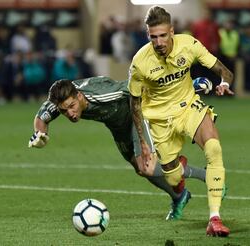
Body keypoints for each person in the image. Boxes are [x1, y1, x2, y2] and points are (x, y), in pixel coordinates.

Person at [28, 76, 213, 220]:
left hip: (137, 114)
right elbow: (41, 118)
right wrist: (40, 135)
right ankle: (179, 196)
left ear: (79, 96)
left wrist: (188, 86)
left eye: (72, 106)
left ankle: (205, 175)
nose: (70, 114)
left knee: (147, 167)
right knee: (140, 169)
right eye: (63, 110)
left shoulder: (104, 93)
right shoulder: (60, 99)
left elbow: (138, 86)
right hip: (117, 125)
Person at [128, 6, 233, 237]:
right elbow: (134, 104)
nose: (158, 42)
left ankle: (214, 218)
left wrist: (224, 84)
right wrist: (144, 141)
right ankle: (179, 171)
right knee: (173, 177)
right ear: (148, 36)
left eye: (163, 35)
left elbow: (225, 71)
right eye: (153, 37)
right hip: (159, 121)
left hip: (188, 108)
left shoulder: (189, 44)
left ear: (172, 32)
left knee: (214, 148)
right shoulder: (139, 63)